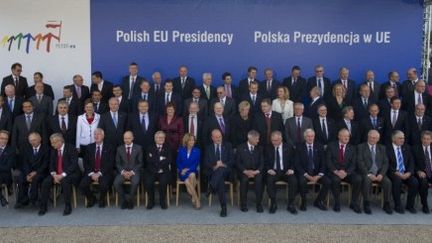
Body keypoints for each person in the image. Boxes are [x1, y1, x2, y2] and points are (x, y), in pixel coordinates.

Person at [39, 133, 80, 216]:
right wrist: (54, 175)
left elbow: (73, 165)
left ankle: (67, 206)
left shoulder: (71, 148)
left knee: (65, 181)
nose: (51, 144)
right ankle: (43, 206)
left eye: (53, 142)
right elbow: (51, 165)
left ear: (60, 141)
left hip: (70, 173)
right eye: (51, 142)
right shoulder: (53, 150)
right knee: (45, 182)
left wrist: (62, 175)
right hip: (56, 174)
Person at [357, 130, 393, 214]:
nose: (372, 139)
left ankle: (386, 204)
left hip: (379, 173)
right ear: (368, 137)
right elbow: (360, 162)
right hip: (366, 172)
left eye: (375, 138)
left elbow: (385, 162)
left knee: (388, 182)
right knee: (366, 181)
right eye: (371, 137)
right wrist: (368, 174)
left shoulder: (382, 148)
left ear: (378, 139)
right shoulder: (361, 147)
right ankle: (366, 203)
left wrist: (381, 174)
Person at [326, 129, 361, 213]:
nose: (347, 138)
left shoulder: (352, 148)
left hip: (347, 172)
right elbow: (328, 161)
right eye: (345, 136)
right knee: (335, 180)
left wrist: (346, 172)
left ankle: (353, 203)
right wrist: (336, 171)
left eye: (348, 136)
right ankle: (337, 202)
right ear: (339, 136)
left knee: (358, 179)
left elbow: (353, 164)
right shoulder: (331, 146)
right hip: (334, 171)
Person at [295, 129, 330, 211]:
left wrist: (319, 175)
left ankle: (318, 201)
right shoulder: (299, 147)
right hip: (305, 172)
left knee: (328, 182)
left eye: (312, 136)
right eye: (308, 136)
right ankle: (303, 201)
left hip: (317, 172)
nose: (310, 138)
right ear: (304, 137)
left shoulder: (319, 146)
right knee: (302, 181)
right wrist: (306, 175)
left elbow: (323, 163)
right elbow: (297, 164)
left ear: (314, 137)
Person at [79, 128, 115, 208]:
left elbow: (110, 163)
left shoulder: (109, 147)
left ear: (103, 136)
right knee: (82, 185)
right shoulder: (89, 147)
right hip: (91, 172)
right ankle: (91, 198)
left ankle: (102, 199)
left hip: (103, 172)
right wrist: (92, 173)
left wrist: (99, 173)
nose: (96, 136)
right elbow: (86, 162)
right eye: (95, 134)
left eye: (98, 134)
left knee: (104, 185)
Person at [265, 131, 298, 214]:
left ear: (281, 139)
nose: (274, 142)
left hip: (286, 171)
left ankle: (291, 204)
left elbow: (294, 161)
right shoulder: (268, 148)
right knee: (269, 180)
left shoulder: (289, 147)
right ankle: (273, 203)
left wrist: (291, 169)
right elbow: (264, 161)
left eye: (276, 140)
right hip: (274, 171)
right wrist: (269, 169)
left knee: (293, 180)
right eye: (272, 140)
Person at [386, 130, 418, 214]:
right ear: (393, 139)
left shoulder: (407, 147)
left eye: (403, 138)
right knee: (397, 180)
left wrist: (409, 172)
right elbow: (386, 163)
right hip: (393, 173)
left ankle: (410, 205)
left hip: (405, 173)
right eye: (400, 138)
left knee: (414, 182)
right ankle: (398, 205)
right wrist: (396, 172)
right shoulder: (387, 148)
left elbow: (411, 161)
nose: (402, 140)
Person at [15, 132, 49, 209]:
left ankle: (34, 199)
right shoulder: (27, 149)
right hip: (29, 171)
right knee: (20, 178)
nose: (32, 142)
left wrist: (36, 172)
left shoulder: (46, 149)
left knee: (36, 178)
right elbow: (25, 163)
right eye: (30, 140)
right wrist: (28, 174)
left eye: (34, 140)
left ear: (40, 139)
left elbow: (45, 164)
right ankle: (22, 200)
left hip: (41, 171)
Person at [204, 129, 234, 217]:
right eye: (216, 137)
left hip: (226, 171)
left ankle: (211, 187)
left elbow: (232, 161)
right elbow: (206, 162)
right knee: (220, 181)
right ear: (212, 138)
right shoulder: (208, 147)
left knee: (221, 170)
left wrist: (223, 164)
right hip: (213, 172)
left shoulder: (228, 145)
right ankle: (223, 207)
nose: (218, 139)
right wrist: (215, 166)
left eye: (220, 136)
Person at [236, 130, 264, 213]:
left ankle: (259, 204)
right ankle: (243, 204)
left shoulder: (260, 148)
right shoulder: (240, 147)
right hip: (244, 172)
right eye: (257, 139)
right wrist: (245, 171)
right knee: (244, 180)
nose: (258, 141)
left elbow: (262, 163)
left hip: (256, 172)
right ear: (250, 139)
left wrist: (257, 171)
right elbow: (237, 162)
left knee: (259, 180)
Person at [114, 131, 143, 209]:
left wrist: (132, 172)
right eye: (125, 138)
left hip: (134, 172)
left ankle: (130, 201)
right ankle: (123, 200)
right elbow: (117, 163)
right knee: (116, 183)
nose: (127, 140)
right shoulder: (119, 148)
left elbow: (140, 163)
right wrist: (123, 172)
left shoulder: (138, 148)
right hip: (123, 172)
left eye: (128, 138)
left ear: (132, 138)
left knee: (135, 182)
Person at [144, 131, 172, 209]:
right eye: (159, 137)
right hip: (152, 171)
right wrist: (161, 159)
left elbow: (168, 160)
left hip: (164, 171)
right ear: (155, 139)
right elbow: (149, 160)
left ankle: (162, 201)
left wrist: (157, 160)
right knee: (148, 182)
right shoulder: (150, 147)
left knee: (163, 182)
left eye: (163, 137)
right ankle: (151, 201)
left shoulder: (168, 147)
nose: (161, 139)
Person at [176, 133, 201, 209]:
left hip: (192, 170)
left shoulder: (197, 151)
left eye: (193, 140)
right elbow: (178, 162)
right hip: (182, 172)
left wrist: (188, 169)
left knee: (192, 175)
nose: (192, 142)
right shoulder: (181, 150)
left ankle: (193, 197)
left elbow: (196, 163)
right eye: (190, 140)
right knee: (188, 179)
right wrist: (181, 169)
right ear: (186, 141)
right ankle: (196, 199)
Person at [412, 130, 432, 214]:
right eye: (424, 139)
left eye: (428, 139)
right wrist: (418, 171)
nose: (426, 141)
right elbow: (412, 163)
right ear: (421, 139)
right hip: (421, 173)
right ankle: (425, 205)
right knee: (423, 182)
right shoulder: (415, 148)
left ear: (431, 140)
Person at [0, 130, 15, 207]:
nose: (4, 140)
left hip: (5, 176)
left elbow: (8, 167)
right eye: (1, 138)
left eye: (6, 139)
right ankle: (1, 198)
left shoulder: (11, 150)